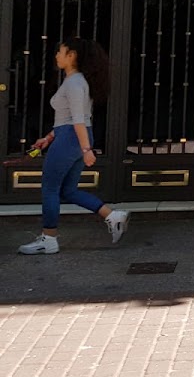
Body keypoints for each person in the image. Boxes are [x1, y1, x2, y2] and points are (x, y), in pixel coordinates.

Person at [18, 38, 129, 255]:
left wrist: (87, 151)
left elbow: (78, 118)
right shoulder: (75, 81)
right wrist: (50, 137)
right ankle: (112, 216)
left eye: (60, 52)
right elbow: (69, 118)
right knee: (67, 190)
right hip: (70, 136)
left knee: (50, 188)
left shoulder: (74, 83)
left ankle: (48, 239)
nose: (57, 56)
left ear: (72, 55)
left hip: (72, 138)